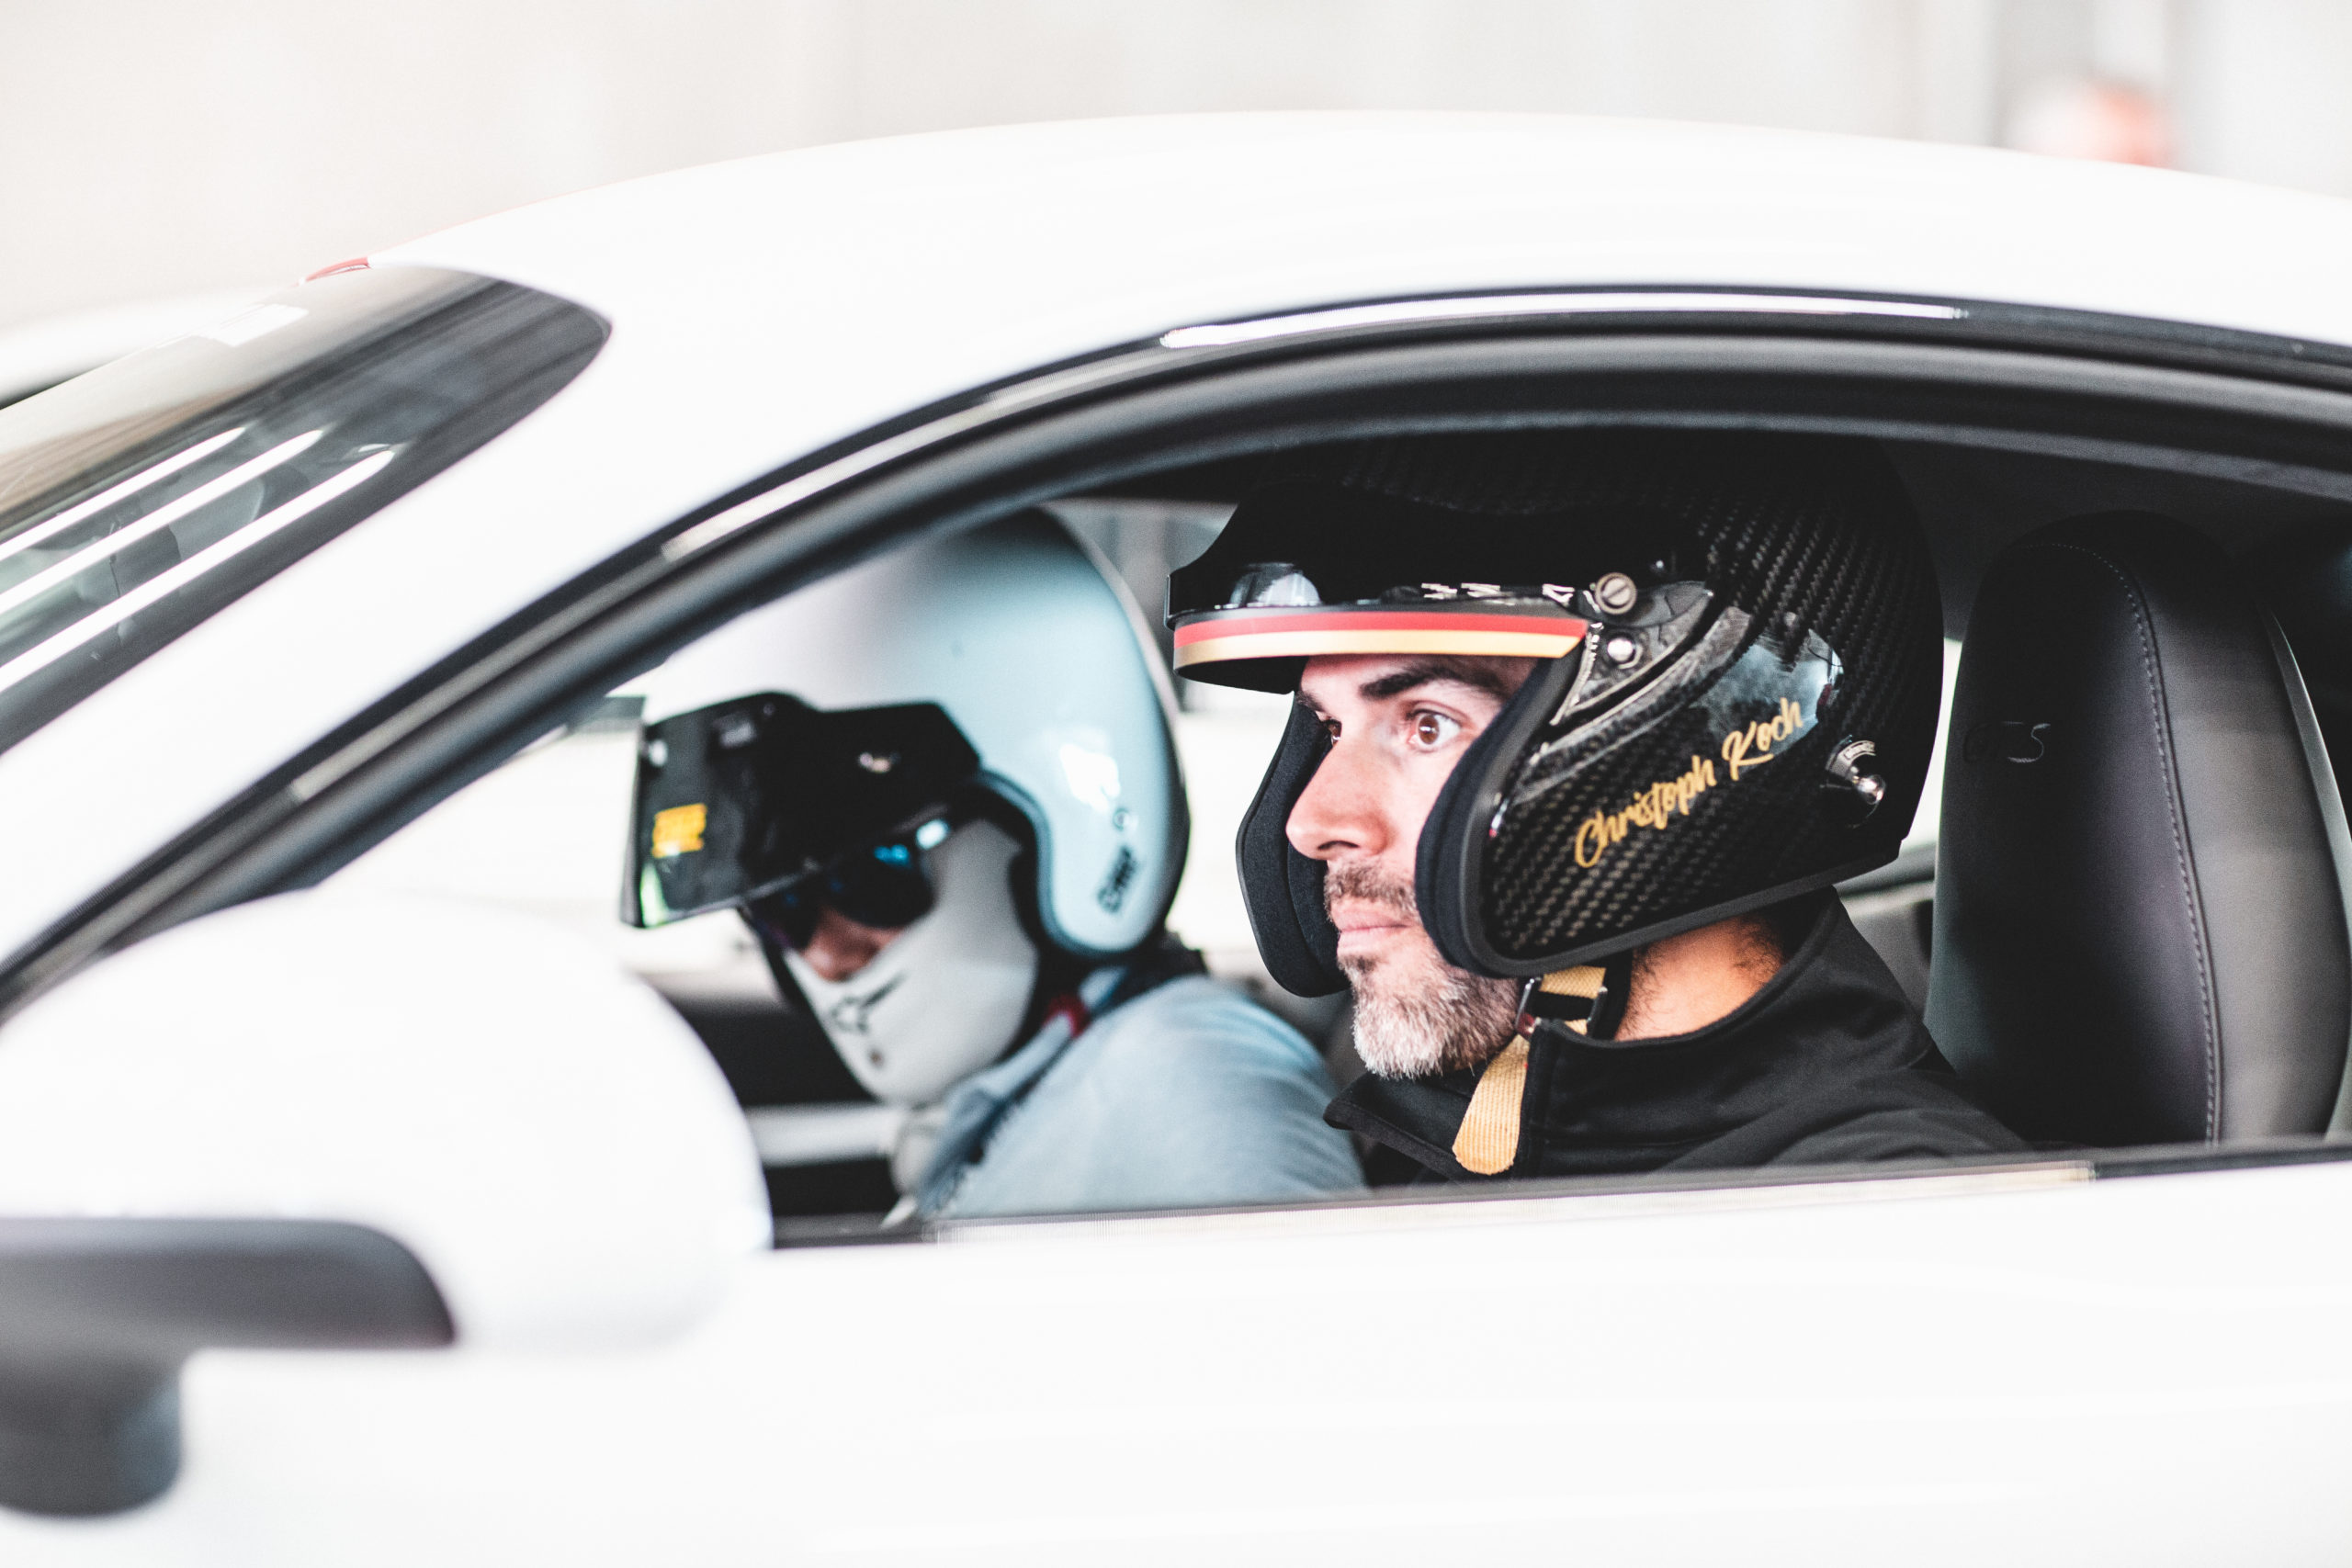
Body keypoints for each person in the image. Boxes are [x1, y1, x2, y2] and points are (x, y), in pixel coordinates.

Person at [1166, 430, 2027, 1182]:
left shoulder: (1880, 1225)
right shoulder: (1476, 1141)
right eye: (1328, 728)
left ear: (1681, 745)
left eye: (1427, 724)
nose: (1311, 821)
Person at [627, 512, 1363, 1219]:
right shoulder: (1024, 1096)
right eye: (777, 911)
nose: (825, 954)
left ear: (1060, 830)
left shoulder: (1199, 1093)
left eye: (871, 877)